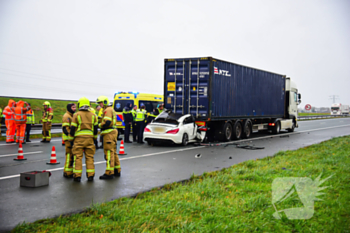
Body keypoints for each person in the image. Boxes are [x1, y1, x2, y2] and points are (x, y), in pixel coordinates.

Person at [69, 97, 98, 182]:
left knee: (78, 157)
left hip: (79, 139)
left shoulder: (76, 115)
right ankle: (90, 175)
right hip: (90, 139)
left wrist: (71, 139)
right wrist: (95, 138)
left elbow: (72, 128)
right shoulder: (93, 115)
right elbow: (96, 128)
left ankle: (77, 176)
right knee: (90, 157)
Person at [96, 95, 121, 179]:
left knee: (109, 153)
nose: (100, 105)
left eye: (101, 103)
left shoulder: (107, 110)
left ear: (105, 102)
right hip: (112, 132)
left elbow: (107, 122)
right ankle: (117, 170)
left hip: (109, 133)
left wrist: (99, 125)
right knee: (113, 152)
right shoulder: (109, 109)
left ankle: (109, 172)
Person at [62, 103, 76, 178]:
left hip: (70, 139)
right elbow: (65, 128)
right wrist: (70, 137)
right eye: (73, 107)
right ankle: (67, 172)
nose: (75, 109)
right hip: (68, 139)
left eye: (75, 107)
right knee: (69, 155)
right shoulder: (67, 116)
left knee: (71, 155)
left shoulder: (72, 115)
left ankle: (69, 170)